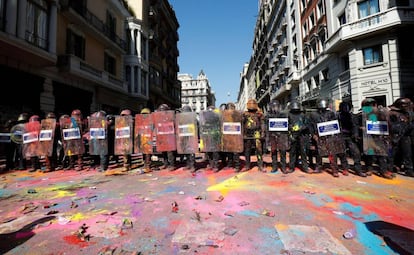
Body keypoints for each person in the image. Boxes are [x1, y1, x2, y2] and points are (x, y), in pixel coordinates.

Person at [308, 99, 349, 177]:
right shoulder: (313, 115)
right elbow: (310, 126)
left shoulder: (331, 113)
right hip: (319, 136)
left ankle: (339, 169)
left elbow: (335, 124)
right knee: (319, 153)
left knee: (335, 153)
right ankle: (319, 167)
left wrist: (336, 133)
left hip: (331, 136)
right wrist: (313, 135)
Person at [357, 98, 394, 179]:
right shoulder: (361, 115)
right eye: (367, 106)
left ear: (375, 105)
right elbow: (357, 126)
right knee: (369, 154)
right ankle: (369, 169)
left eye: (371, 105)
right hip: (368, 137)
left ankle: (383, 170)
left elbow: (388, 124)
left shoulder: (382, 113)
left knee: (381, 154)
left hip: (380, 137)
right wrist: (362, 128)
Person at [337, 101, 367, 177]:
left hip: (350, 137)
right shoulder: (338, 116)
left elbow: (355, 126)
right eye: (344, 107)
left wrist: (355, 135)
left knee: (356, 153)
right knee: (342, 153)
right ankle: (345, 168)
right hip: (341, 137)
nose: (345, 108)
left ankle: (358, 169)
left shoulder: (353, 116)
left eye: (347, 107)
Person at [388, 97, 413, 177]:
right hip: (395, 136)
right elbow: (392, 126)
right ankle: (391, 167)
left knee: (407, 153)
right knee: (393, 153)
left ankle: (408, 169)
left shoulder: (408, 113)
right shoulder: (392, 113)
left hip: (405, 136)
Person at [265, 99, 289, 173]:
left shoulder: (283, 115)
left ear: (278, 107)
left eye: (276, 106)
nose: (274, 108)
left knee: (283, 151)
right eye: (273, 106)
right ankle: (274, 166)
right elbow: (266, 126)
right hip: (272, 136)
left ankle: (283, 167)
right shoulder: (268, 116)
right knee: (274, 152)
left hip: (282, 136)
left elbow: (287, 125)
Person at [242, 98, 266, 172]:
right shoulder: (245, 114)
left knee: (259, 150)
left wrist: (262, 132)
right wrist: (242, 134)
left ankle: (260, 165)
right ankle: (247, 165)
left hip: (257, 134)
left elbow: (262, 124)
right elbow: (242, 124)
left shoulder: (259, 114)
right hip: (247, 134)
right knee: (247, 151)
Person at [288, 101, 311, 174]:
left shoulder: (303, 115)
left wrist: (301, 128)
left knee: (303, 152)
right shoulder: (289, 115)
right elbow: (286, 124)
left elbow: (307, 124)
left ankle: (305, 167)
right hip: (293, 135)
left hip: (302, 135)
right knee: (292, 152)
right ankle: (292, 167)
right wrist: (291, 128)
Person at [175, 105, 198, 172]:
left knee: (191, 152)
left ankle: (192, 166)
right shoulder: (182, 118)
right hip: (184, 137)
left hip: (191, 137)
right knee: (186, 152)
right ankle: (188, 164)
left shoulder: (193, 118)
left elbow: (197, 126)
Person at [154, 103, 177, 171]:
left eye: (163, 110)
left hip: (169, 136)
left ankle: (172, 164)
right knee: (163, 150)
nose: (162, 111)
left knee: (170, 151)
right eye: (161, 110)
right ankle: (166, 164)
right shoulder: (159, 117)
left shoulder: (170, 117)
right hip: (162, 136)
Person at [199, 105, 222, 172]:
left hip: (215, 136)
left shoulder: (217, 116)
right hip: (208, 135)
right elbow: (203, 125)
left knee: (215, 152)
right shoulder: (206, 117)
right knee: (209, 151)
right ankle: (211, 164)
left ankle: (216, 166)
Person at [221, 102, 242, 172]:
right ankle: (230, 164)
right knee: (229, 151)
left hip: (235, 136)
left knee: (235, 152)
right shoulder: (224, 116)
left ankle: (237, 166)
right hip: (228, 136)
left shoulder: (236, 115)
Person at [135, 107, 154, 173]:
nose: (144, 115)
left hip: (148, 137)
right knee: (143, 152)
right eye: (143, 114)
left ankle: (148, 165)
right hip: (142, 138)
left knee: (148, 152)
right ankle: (145, 164)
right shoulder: (140, 121)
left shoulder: (151, 120)